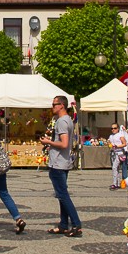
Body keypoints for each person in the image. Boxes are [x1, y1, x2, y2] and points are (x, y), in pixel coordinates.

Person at [41, 96, 82, 237]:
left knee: (63, 195)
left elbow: (64, 144)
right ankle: (63, 225)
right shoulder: (68, 120)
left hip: (58, 163)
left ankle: (76, 224)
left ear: (62, 106)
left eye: (54, 104)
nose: (52, 106)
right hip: (63, 162)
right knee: (61, 195)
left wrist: (48, 142)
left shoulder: (62, 122)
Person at [108, 123, 128, 190]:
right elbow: (109, 142)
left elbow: (124, 143)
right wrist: (109, 144)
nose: (113, 130)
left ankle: (114, 183)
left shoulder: (120, 135)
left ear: (118, 129)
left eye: (115, 128)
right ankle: (117, 183)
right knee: (115, 168)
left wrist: (117, 146)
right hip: (113, 153)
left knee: (114, 167)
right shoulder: (111, 136)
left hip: (119, 153)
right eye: (112, 128)